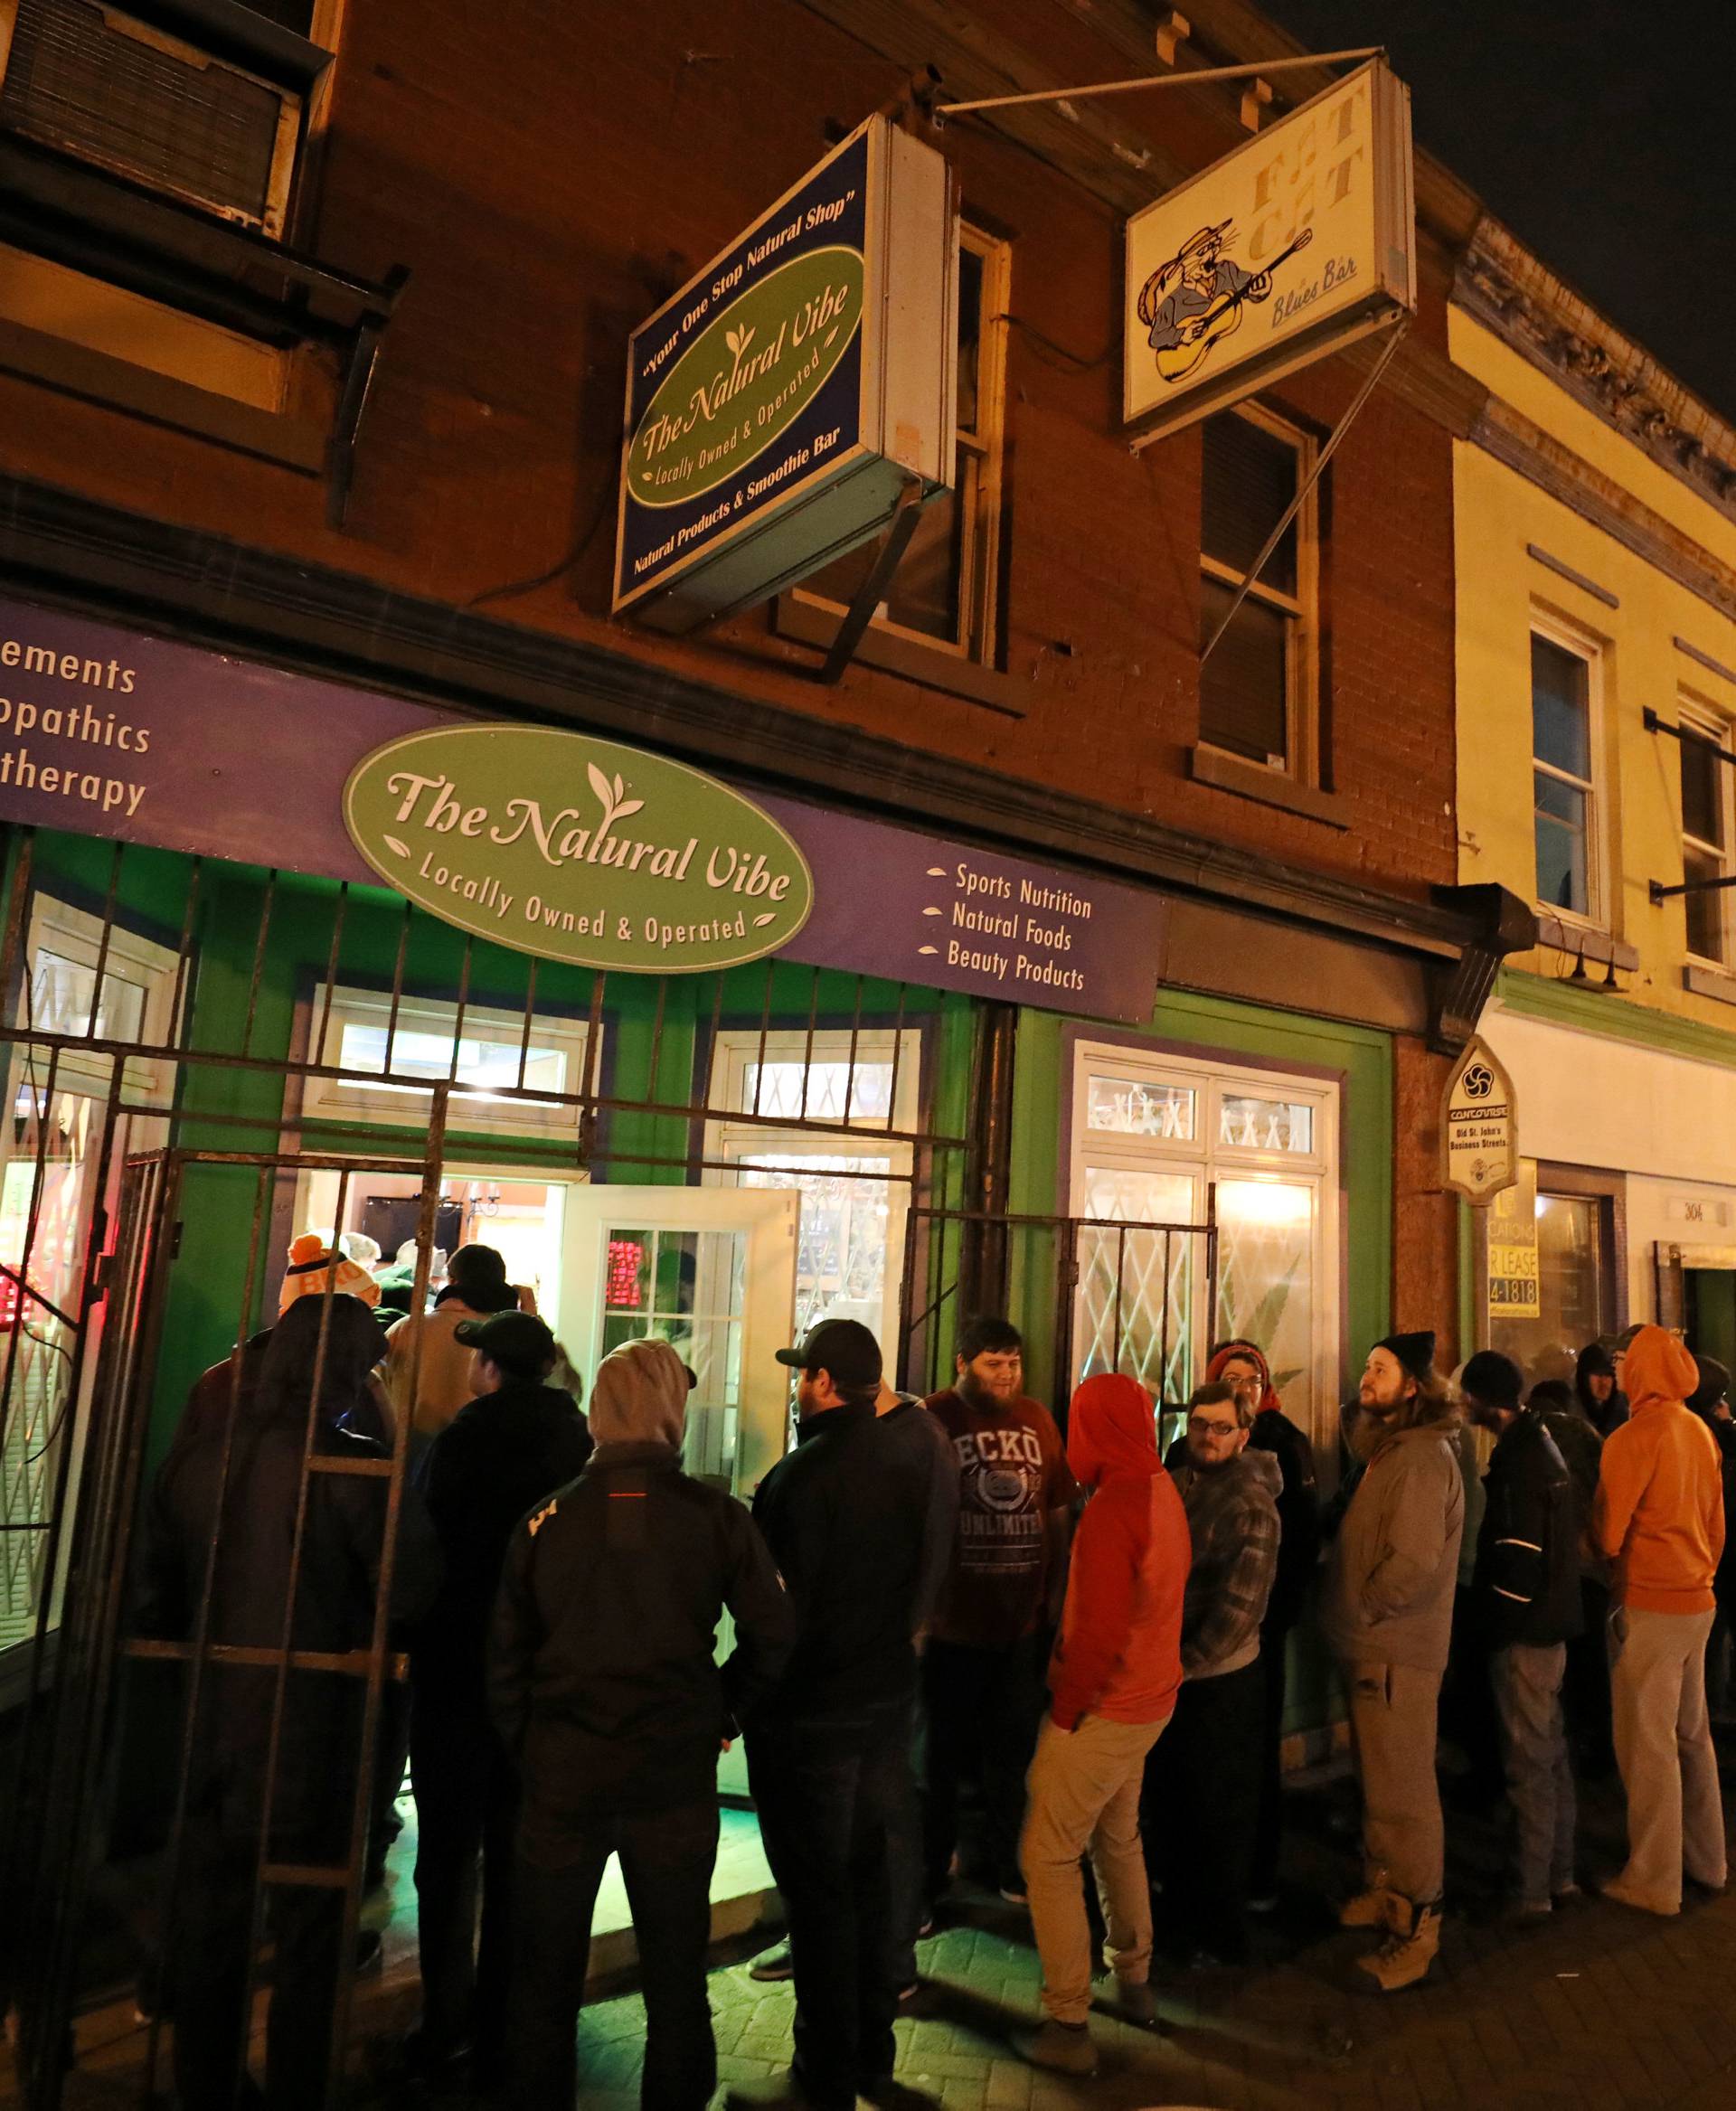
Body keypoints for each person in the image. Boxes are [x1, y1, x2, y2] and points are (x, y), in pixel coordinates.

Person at [135, 1295, 437, 2110]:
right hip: (317, 1731)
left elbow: (153, 1601)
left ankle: (208, 2086)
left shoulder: (198, 1460)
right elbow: (410, 1590)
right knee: (311, 1935)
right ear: (339, 1367)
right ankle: (301, 2087)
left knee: (214, 1933)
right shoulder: (355, 1464)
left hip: (209, 1734)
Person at [491, 1336, 791, 2111]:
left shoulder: (544, 1522)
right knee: (675, 1982)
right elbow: (775, 1631)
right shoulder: (716, 1517)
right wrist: (725, 1708)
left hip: (563, 1774)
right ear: (670, 1410)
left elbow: (503, 1660)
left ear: (598, 1410)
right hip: (671, 1774)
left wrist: (532, 1744)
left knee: (544, 1985)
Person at [731, 1319, 927, 2111]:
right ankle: (870, 2059)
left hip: (814, 1720)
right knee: (870, 1883)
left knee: (819, 1898)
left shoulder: (799, 1478)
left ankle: (824, 2075)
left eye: (801, 1372)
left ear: (820, 1382)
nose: (796, 1385)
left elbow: (779, 1618)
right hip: (884, 1707)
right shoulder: (905, 1463)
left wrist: (737, 1701)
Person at [407, 1311, 592, 2083]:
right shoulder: (579, 1440)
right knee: (526, 1853)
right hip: (545, 1673)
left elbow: (424, 1544)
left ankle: (442, 2024)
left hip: (458, 1667)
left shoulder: (461, 1438)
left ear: (488, 1367)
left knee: (448, 1857)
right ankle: (510, 2026)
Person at [1014, 1373, 1187, 2076]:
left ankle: (1068, 2020)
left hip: (1106, 1705)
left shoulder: (1115, 1505)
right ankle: (1134, 1977)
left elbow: (1097, 1631)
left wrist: (1064, 1710)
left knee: (1047, 1853)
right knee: (1118, 1836)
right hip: (1151, 1699)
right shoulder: (1160, 1485)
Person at [1322, 1332, 1464, 1993]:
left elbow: (1411, 1560)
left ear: (1412, 1386)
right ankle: (1387, 1894)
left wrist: (1367, 1608)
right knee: (1381, 1786)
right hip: (1374, 1647)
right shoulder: (1391, 1451)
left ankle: (1418, 1928)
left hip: (1395, 1652)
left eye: (1380, 1369)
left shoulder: (1422, 1458)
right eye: (1366, 1366)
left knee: (1405, 1792)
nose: (1364, 1377)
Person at [921, 1316, 1077, 1910]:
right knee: (939, 1763)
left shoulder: (1037, 1419)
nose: (1008, 1373)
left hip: (1021, 1626)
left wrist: (1057, 1590)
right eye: (994, 1362)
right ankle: (932, 1876)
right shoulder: (935, 1418)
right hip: (951, 1627)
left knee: (1012, 1759)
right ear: (962, 1364)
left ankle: (1010, 1865)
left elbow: (1058, 1507)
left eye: (1014, 1362)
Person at [1592, 1325, 1726, 1916]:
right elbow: (1717, 1524)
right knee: (1692, 1737)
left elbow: (1607, 1534)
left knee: (1647, 1747)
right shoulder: (1699, 1430)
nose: (1618, 1372)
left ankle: (1653, 1879)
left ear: (1643, 1369)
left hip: (1649, 1602)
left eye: (1625, 1362)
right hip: (1699, 1600)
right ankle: (1709, 1860)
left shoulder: (1632, 1437)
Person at [1145, 1379, 1279, 1965]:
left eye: (1221, 1427)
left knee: (1218, 1810)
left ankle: (1219, 1932)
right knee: (1175, 1804)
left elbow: (1238, 1607)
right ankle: (1179, 1921)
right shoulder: (1178, 1483)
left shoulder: (1250, 1504)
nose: (1207, 1435)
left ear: (1243, 1435)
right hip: (1174, 1673)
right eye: (1198, 1423)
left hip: (1219, 1679)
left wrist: (1182, 1664)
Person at [1460, 1352, 1584, 1918]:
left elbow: (1519, 1560)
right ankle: (1558, 1875)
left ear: (1486, 1400)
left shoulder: (1518, 1463)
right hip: (1553, 1624)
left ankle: (1530, 1889)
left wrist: (1495, 1627)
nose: (1463, 1405)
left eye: (1469, 1395)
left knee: (1529, 1762)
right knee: (1551, 1753)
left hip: (1526, 1633)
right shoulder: (1543, 1446)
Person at [1203, 1338, 1318, 1908]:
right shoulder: (1196, 1441)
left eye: (1251, 1378)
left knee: (1256, 1746)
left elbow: (1301, 1540)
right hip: (1200, 1629)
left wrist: (1277, 1614)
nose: (1241, 1387)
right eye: (1231, 1376)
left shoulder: (1286, 1442)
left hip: (1262, 1628)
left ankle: (1257, 1872)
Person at [1527, 1376, 1613, 1773]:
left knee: (1560, 1668)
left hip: (1552, 1567)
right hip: (1592, 1565)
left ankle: (1568, 1743)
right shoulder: (1588, 1435)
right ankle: (1600, 1748)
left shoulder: (1531, 1438)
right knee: (1595, 1664)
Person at [382, 1242, 520, 1453]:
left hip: (408, 1461)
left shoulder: (407, 1329)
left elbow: (374, 1391)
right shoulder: (510, 1337)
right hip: (486, 1460)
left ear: (451, 1280)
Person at [1685, 1355, 1736, 1711]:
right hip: (1717, 1557)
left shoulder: (1696, 1435)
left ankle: (1715, 1708)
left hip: (1709, 1560)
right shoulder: (1712, 1437)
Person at [1577, 1342, 1627, 1437]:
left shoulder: (1621, 1408)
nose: (1604, 1382)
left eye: (1608, 1375)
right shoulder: (1572, 1410)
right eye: (1598, 1374)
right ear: (1584, 1378)